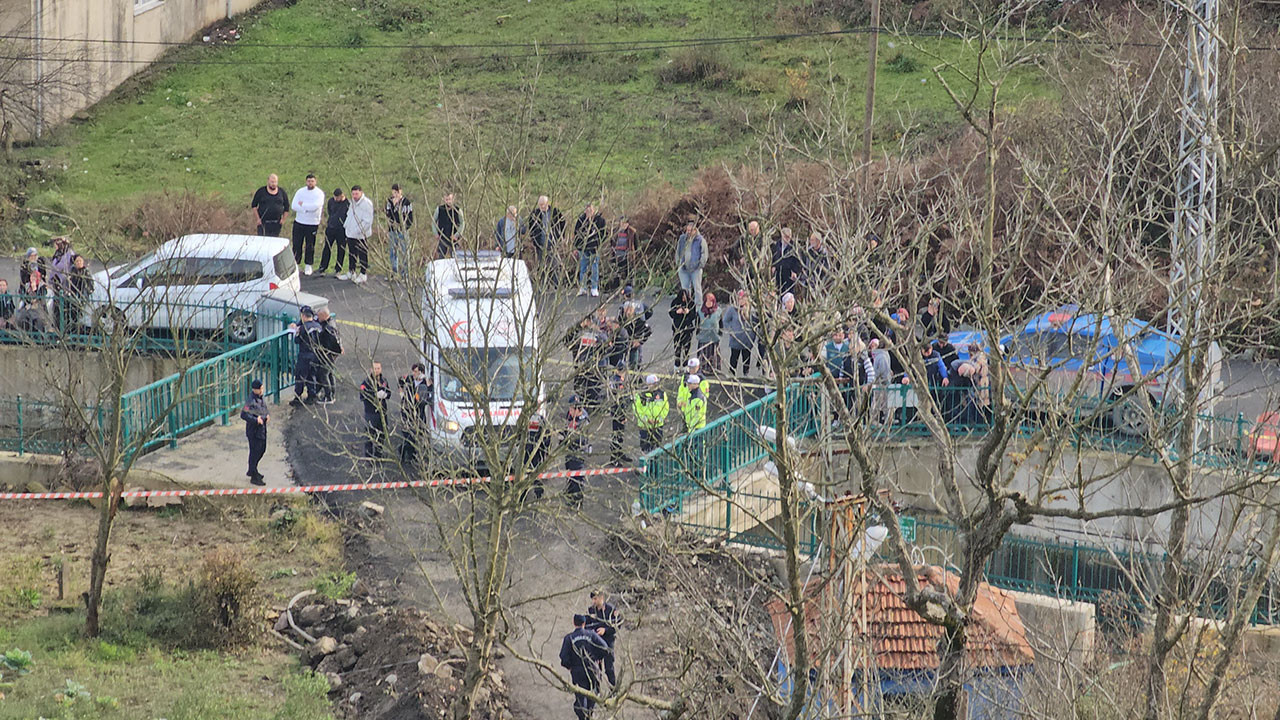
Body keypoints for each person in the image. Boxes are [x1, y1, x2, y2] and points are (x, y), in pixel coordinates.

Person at [559, 613, 611, 720]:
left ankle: (583, 716)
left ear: (574, 623)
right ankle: (589, 713)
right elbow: (605, 648)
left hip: (577, 671)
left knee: (581, 695)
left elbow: (563, 657)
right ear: (584, 623)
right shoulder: (591, 635)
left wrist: (569, 666)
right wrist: (597, 658)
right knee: (593, 692)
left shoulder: (569, 638)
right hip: (592, 668)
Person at [398, 362, 433, 468]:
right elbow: (400, 381)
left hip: (419, 411)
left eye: (416, 371)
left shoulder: (425, 383)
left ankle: (417, 455)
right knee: (408, 435)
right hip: (407, 411)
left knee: (422, 433)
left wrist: (428, 385)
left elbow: (430, 393)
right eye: (413, 371)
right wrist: (402, 394)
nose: (414, 373)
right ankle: (406, 455)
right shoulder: (409, 379)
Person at [585, 590, 622, 686]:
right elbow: (587, 625)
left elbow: (617, 625)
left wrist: (605, 630)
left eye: (595, 599)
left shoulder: (611, 610)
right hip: (596, 641)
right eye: (592, 599)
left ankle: (613, 689)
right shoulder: (591, 610)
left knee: (609, 668)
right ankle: (597, 689)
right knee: (595, 667)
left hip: (608, 641)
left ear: (601, 598)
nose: (593, 601)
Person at [291, 173, 325, 275]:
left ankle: (308, 265)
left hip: (312, 223)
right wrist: (306, 209)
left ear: (315, 182)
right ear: (306, 182)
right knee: (297, 244)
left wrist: (303, 206)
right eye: (308, 181)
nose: (310, 183)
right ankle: (296, 264)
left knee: (310, 245)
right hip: (299, 222)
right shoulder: (300, 192)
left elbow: (315, 206)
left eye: (312, 181)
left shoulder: (319, 193)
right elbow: (294, 205)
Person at [288, 306, 322, 406]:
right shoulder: (318, 326)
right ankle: (312, 396)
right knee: (312, 375)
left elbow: (296, 340)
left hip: (304, 355)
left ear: (303, 316)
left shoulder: (302, 328)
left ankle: (298, 397)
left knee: (300, 377)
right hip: (316, 355)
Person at [562, 397, 591, 508]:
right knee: (569, 475)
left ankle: (577, 502)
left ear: (577, 409)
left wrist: (568, 436)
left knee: (577, 479)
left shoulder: (584, 420)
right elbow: (566, 427)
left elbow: (580, 439)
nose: (569, 411)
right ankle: (569, 496)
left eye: (571, 408)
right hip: (569, 451)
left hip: (578, 452)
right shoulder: (569, 415)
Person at [343, 185, 375, 284]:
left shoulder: (367, 204)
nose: (355, 196)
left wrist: (358, 231)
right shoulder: (352, 202)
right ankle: (351, 272)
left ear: (361, 192)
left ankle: (363, 274)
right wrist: (347, 226)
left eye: (357, 193)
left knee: (362, 253)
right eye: (353, 194)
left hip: (361, 234)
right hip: (350, 233)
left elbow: (367, 221)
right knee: (352, 253)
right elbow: (349, 215)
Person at [240, 379, 269, 486]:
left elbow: (263, 408)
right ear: (255, 389)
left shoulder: (260, 398)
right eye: (260, 388)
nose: (262, 390)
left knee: (262, 449)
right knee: (255, 452)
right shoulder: (250, 401)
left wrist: (267, 415)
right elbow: (244, 414)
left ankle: (253, 469)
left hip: (261, 429)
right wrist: (255, 420)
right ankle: (253, 474)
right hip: (254, 431)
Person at [359, 361, 391, 459]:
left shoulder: (384, 381)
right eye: (375, 368)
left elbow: (389, 393)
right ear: (371, 370)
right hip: (371, 413)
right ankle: (368, 456)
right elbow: (362, 396)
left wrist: (385, 395)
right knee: (370, 435)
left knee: (381, 435)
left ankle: (379, 455)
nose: (376, 370)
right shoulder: (366, 382)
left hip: (382, 413)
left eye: (378, 368)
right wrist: (374, 396)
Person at [574, 203, 606, 297]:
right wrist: (576, 247)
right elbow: (576, 233)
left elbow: (603, 233)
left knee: (594, 268)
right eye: (587, 211)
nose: (589, 213)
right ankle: (583, 287)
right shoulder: (581, 220)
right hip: (583, 248)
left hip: (594, 248)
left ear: (594, 210)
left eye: (591, 211)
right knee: (583, 268)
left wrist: (599, 244)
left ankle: (594, 287)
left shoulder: (600, 221)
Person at [633, 374, 669, 454]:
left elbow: (665, 408)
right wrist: (646, 420)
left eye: (657, 383)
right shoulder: (640, 394)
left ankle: (655, 466)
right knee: (645, 449)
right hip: (645, 427)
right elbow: (636, 409)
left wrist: (659, 419)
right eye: (654, 383)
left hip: (658, 426)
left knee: (657, 449)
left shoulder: (662, 394)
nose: (656, 385)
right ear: (648, 384)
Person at [723, 290, 755, 376]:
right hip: (736, 338)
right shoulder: (732, 309)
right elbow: (725, 320)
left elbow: (755, 322)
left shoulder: (751, 309)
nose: (741, 301)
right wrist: (730, 330)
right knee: (734, 357)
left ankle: (746, 373)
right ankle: (732, 373)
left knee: (746, 357)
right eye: (740, 299)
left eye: (743, 298)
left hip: (747, 338)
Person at [318, 188, 350, 277]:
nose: (336, 199)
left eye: (338, 197)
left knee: (341, 249)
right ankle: (323, 267)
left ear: (342, 195)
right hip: (331, 228)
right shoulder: (331, 201)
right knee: (327, 247)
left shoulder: (347, 204)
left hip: (342, 230)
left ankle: (338, 269)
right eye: (335, 197)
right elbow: (330, 212)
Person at [674, 217, 706, 302]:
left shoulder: (700, 240)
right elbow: (678, 251)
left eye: (690, 230)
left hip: (696, 268)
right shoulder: (682, 239)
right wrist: (678, 263)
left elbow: (704, 253)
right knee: (685, 289)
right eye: (687, 230)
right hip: (683, 268)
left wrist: (700, 265)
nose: (688, 232)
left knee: (697, 289)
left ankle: (698, 308)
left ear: (695, 230)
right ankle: (686, 306)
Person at [385, 184, 414, 276]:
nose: (395, 194)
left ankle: (405, 272)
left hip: (403, 230)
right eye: (394, 192)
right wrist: (394, 205)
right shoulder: (389, 202)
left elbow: (410, 217)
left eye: (397, 192)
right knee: (393, 251)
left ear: (401, 191)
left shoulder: (407, 202)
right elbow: (389, 215)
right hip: (393, 230)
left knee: (405, 251)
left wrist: (405, 228)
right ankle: (394, 270)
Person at [314, 307, 342, 403]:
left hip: (328, 354)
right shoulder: (331, 323)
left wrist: (329, 351)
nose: (318, 318)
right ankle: (331, 394)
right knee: (329, 374)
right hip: (331, 354)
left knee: (324, 374)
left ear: (324, 316)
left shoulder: (328, 328)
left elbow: (333, 341)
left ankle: (328, 396)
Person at [520, 415, 551, 502]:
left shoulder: (539, 420)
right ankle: (523, 496)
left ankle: (537, 495)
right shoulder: (525, 418)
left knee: (534, 475)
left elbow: (547, 437)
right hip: (527, 452)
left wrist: (544, 451)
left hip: (535, 453)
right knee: (526, 476)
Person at [527, 195, 565, 265]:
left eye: (543, 204)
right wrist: (534, 240)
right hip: (540, 245)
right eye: (540, 205)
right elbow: (531, 228)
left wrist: (559, 237)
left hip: (553, 245)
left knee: (554, 266)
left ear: (547, 203)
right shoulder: (535, 214)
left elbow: (562, 224)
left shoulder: (555, 212)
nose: (541, 206)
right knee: (542, 266)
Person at [606, 364, 631, 467]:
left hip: (615, 411)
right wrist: (622, 415)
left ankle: (618, 453)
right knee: (617, 435)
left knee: (618, 434)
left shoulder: (614, 379)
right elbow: (620, 401)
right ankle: (614, 458)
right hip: (618, 412)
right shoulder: (619, 382)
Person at [668, 288, 697, 372]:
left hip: (687, 329)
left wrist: (688, 312)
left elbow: (694, 315)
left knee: (686, 348)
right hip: (677, 329)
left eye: (685, 296)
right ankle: (677, 365)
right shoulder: (675, 302)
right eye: (682, 296)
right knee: (677, 348)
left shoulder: (691, 303)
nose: (684, 298)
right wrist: (677, 312)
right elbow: (671, 313)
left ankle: (685, 365)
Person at [696, 291, 724, 375]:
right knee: (704, 354)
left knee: (714, 354)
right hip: (703, 337)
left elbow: (721, 324)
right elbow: (697, 324)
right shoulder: (700, 311)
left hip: (714, 338)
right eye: (707, 301)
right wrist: (698, 334)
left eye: (711, 301)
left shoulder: (718, 311)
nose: (709, 303)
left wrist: (719, 334)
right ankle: (703, 369)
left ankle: (714, 370)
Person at [619, 300, 651, 369]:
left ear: (633, 310)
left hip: (635, 339)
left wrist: (640, 342)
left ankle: (637, 370)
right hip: (625, 340)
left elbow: (648, 331)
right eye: (626, 310)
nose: (628, 312)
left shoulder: (639, 319)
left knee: (636, 361)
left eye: (630, 310)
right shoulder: (621, 317)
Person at [64, 254, 92, 333]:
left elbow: (90, 284)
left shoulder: (86, 272)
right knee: (72, 314)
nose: (79, 262)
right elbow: (68, 284)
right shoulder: (72, 272)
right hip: (73, 296)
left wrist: (88, 289)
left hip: (83, 296)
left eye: (80, 261)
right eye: (77, 261)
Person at [432, 192, 464, 258]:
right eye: (446, 199)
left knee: (455, 258)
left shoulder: (458, 210)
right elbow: (433, 222)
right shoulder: (439, 209)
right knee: (440, 257)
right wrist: (435, 233)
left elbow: (462, 223)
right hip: (442, 238)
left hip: (454, 239)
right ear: (444, 199)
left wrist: (457, 235)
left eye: (449, 199)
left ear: (453, 199)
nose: (448, 201)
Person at [771, 226, 801, 295]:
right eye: (786, 237)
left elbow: (798, 260)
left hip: (789, 272)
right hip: (778, 271)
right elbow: (774, 256)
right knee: (779, 291)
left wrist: (795, 271)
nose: (788, 239)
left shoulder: (794, 246)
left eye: (789, 237)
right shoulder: (777, 244)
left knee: (789, 292)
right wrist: (774, 266)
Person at [611, 215, 637, 285]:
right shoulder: (615, 232)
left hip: (627, 255)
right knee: (616, 273)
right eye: (622, 223)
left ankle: (629, 289)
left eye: (625, 223)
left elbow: (635, 244)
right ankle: (615, 288)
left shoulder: (632, 232)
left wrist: (633, 254)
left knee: (629, 273)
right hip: (617, 255)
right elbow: (612, 243)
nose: (623, 225)